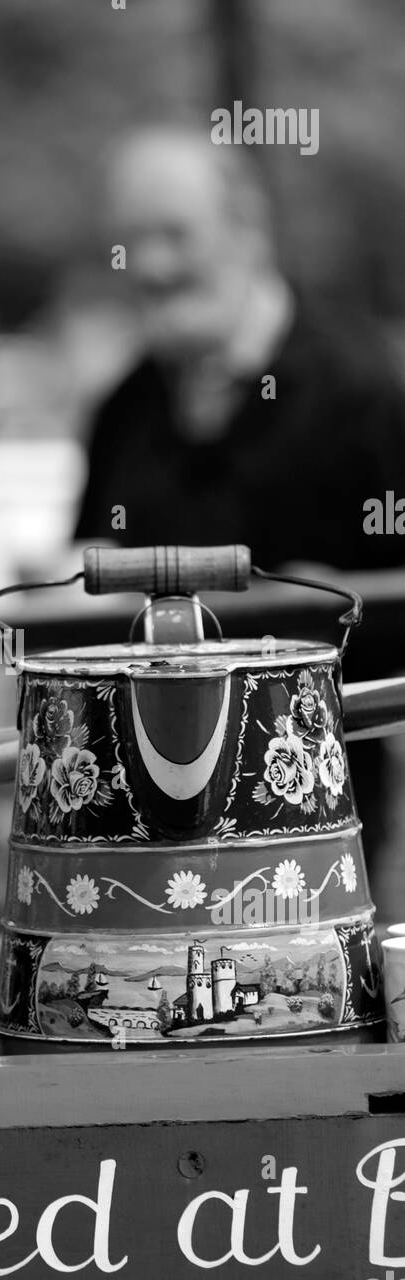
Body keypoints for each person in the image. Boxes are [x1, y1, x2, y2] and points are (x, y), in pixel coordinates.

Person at [74, 125, 405, 873]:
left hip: (315, 830)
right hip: (146, 828)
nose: (150, 265)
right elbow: (87, 565)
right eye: (130, 242)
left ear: (249, 231)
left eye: (174, 234)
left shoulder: (360, 391)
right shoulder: (124, 409)